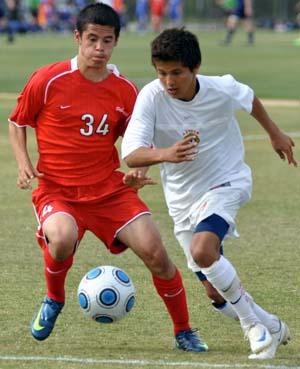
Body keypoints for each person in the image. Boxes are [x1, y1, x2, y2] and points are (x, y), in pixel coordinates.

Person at [8, 5, 208, 353]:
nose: (99, 48)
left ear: (115, 42)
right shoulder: (49, 79)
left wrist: (138, 172)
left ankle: (184, 330)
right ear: (78, 38)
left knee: (156, 253)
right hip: (58, 191)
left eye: (107, 41)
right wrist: (24, 162)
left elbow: (138, 143)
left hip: (109, 192)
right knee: (62, 237)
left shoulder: (125, 91)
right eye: (92, 40)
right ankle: (54, 299)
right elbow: (17, 121)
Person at [121, 28, 296, 359]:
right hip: (182, 199)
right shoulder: (151, 97)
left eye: (177, 73)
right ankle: (271, 324)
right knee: (215, 292)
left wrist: (274, 133)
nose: (169, 81)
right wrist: (163, 155)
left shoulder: (220, 88)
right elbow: (131, 153)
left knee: (203, 251)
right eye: (162, 73)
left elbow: (248, 97)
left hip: (227, 181)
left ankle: (254, 329)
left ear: (195, 68)